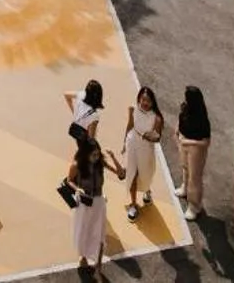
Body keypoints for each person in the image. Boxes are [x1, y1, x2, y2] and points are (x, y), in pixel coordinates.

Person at [65, 123, 124, 273]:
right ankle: (82, 256)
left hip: (98, 202)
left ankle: (97, 262)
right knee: (83, 229)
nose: (96, 157)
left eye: (98, 154)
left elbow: (121, 174)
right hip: (83, 204)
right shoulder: (77, 165)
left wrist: (113, 157)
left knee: (98, 231)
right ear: (86, 154)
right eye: (93, 155)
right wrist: (77, 188)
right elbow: (68, 180)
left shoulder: (100, 163)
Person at [119, 86, 164, 221]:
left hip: (146, 149)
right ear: (139, 98)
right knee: (132, 173)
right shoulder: (133, 109)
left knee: (146, 174)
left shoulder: (157, 118)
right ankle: (133, 204)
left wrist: (149, 136)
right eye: (143, 99)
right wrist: (124, 144)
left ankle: (147, 191)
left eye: (148, 101)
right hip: (132, 144)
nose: (145, 103)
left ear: (152, 102)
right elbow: (129, 125)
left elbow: (157, 137)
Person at [176, 85, 211, 223]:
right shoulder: (185, 108)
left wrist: (189, 143)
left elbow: (206, 142)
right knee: (185, 168)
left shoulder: (202, 118)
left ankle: (194, 205)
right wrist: (178, 131)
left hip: (195, 147)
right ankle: (184, 188)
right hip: (183, 140)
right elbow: (180, 118)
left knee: (194, 177)